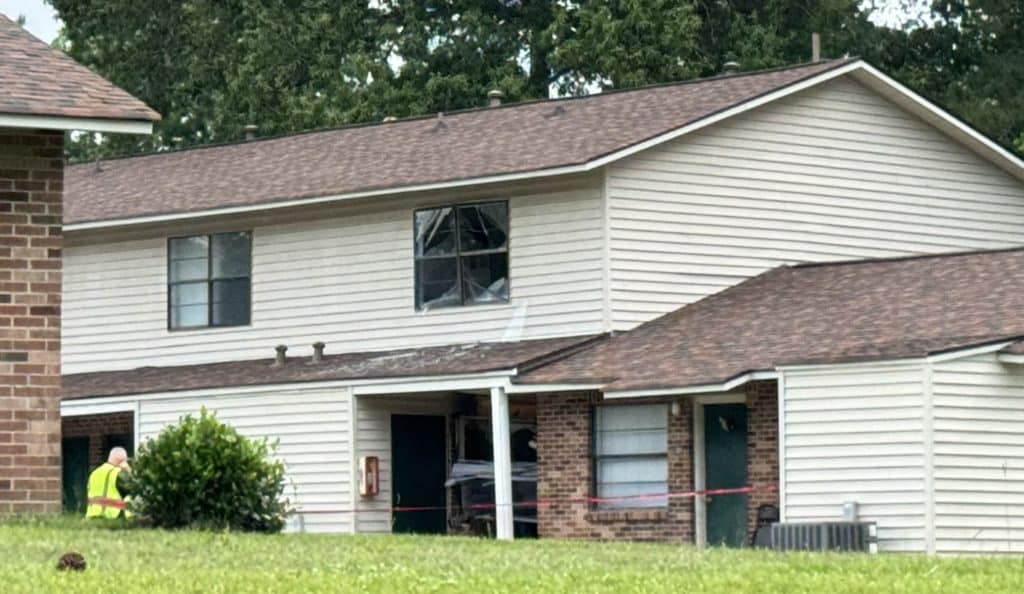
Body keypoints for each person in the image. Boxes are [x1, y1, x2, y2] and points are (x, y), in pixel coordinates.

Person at [85, 447, 132, 519]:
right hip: (112, 516)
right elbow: (134, 488)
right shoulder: (118, 473)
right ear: (122, 461)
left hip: (92, 516)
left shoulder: (94, 473)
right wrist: (128, 470)